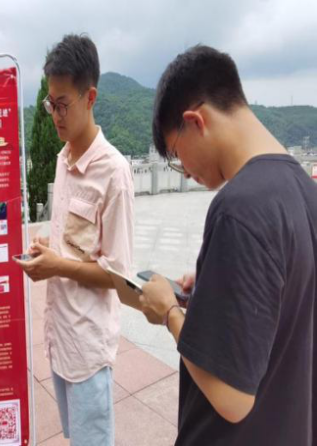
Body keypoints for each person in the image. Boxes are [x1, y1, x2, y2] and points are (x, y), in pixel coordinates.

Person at [140, 45, 316, 445]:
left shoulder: (240, 207)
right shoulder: (305, 191)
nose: (185, 172)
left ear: (194, 121)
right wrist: (214, 285)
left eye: (176, 155)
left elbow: (231, 398)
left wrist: (168, 311)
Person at [15, 34, 134, 445]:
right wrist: (49, 251)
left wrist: (57, 266)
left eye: (62, 104)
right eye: (50, 104)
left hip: (88, 349)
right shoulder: (64, 160)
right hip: (60, 338)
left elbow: (119, 275)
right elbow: (75, 246)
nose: (55, 115)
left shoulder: (114, 173)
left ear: (91, 97)